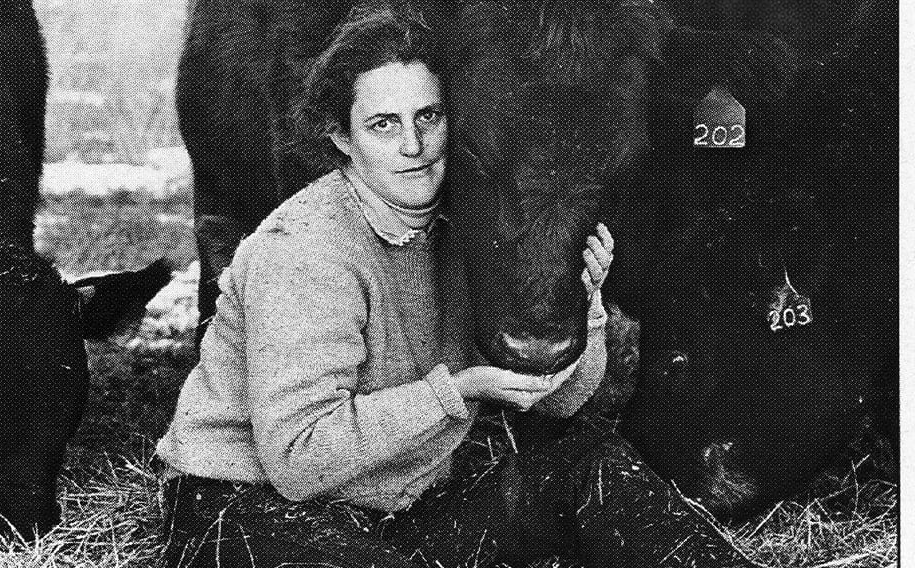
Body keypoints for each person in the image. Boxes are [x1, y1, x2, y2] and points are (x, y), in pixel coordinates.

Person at [156, 6, 758, 568]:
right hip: (245, 517)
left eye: (429, 118)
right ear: (341, 138)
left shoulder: (456, 230)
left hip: (386, 502)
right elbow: (302, 463)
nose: (414, 147)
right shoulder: (303, 249)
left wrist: (590, 308)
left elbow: (559, 401)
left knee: (587, 470)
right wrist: (458, 392)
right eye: (383, 125)